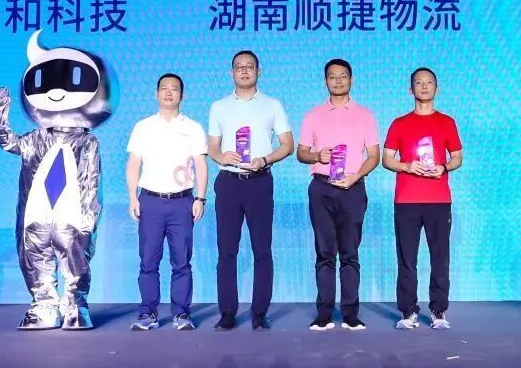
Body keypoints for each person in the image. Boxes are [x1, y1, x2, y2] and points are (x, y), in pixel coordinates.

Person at [0, 30, 112, 331]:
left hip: (71, 214)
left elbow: (91, 180)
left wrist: (89, 216)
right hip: (36, 211)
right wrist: (0, 117)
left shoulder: (87, 142)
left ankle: (75, 305)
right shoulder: (35, 138)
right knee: (34, 255)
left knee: (75, 258)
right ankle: (43, 306)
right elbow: (10, 143)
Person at [207, 51, 294, 331]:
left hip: (259, 181)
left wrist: (265, 159)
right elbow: (212, 147)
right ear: (231, 72)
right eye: (239, 67)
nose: (244, 71)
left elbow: (287, 145)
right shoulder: (219, 107)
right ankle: (227, 312)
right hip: (229, 182)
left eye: (249, 67)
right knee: (227, 251)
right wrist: (221, 156)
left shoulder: (272, 105)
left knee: (262, 250)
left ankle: (259, 313)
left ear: (259, 71)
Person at [297, 59, 380, 331]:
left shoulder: (365, 115)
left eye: (343, 76)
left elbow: (374, 156)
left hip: (352, 188)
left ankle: (350, 314)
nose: (338, 81)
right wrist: (317, 155)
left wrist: (355, 176)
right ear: (325, 81)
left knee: (349, 253)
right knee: (324, 252)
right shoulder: (313, 115)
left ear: (351, 80)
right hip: (322, 188)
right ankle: (323, 314)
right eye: (332, 77)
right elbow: (301, 153)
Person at [126, 73, 208, 331]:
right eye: (164, 88)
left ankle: (181, 314)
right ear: (156, 94)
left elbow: (201, 164)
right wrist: (132, 197)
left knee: (181, 262)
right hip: (150, 201)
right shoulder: (143, 126)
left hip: (181, 202)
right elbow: (133, 164)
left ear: (182, 95)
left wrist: (200, 197)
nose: (169, 93)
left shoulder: (193, 127)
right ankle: (147, 314)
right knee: (148, 261)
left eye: (174, 89)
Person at [382, 68, 463, 330]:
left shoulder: (447, 122)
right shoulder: (399, 123)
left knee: (440, 257)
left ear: (436, 89)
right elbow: (386, 159)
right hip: (406, 200)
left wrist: (444, 167)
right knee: (407, 258)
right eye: (418, 82)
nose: (424, 86)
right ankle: (408, 312)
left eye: (429, 82)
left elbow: (457, 157)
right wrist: (407, 166)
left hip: (439, 199)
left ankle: (439, 311)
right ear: (411, 90)